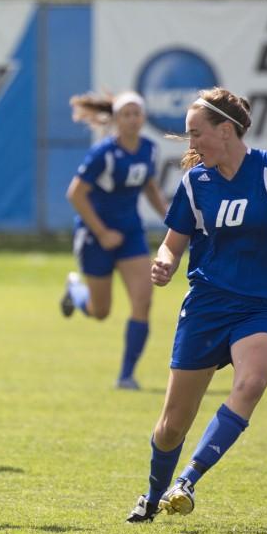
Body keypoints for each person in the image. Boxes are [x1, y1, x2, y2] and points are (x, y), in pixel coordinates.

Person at [126, 87, 267, 523]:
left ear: (227, 130)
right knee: (172, 425)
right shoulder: (196, 183)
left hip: (265, 306)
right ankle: (154, 494)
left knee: (251, 384)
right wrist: (164, 262)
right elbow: (172, 245)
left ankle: (188, 479)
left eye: (196, 134)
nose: (190, 144)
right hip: (208, 306)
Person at [59, 91, 168, 390]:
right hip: (96, 237)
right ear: (117, 120)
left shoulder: (150, 149)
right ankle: (75, 289)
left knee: (143, 302)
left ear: (143, 117)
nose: (133, 119)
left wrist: (169, 216)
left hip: (131, 234)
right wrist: (102, 232)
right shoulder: (103, 153)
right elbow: (76, 195)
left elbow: (148, 185)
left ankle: (126, 375)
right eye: (126, 114)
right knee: (100, 311)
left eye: (137, 113)